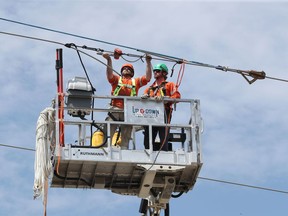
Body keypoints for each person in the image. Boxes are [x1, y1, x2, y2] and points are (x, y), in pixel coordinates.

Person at [102, 53, 152, 149]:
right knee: (108, 132)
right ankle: (105, 148)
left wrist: (148, 62)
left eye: (129, 69)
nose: (126, 69)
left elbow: (148, 78)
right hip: (115, 109)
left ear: (132, 73)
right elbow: (109, 75)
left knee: (126, 134)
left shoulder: (135, 82)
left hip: (128, 111)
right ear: (121, 72)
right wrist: (109, 60)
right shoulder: (117, 79)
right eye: (124, 68)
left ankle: (124, 149)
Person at [142, 63, 181, 151]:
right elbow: (143, 100)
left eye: (158, 71)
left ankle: (164, 152)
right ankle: (148, 154)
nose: (155, 72)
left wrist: (166, 99)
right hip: (151, 115)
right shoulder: (150, 88)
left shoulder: (170, 85)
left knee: (163, 137)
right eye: (154, 71)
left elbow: (177, 97)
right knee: (147, 141)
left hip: (164, 114)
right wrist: (145, 97)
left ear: (164, 73)